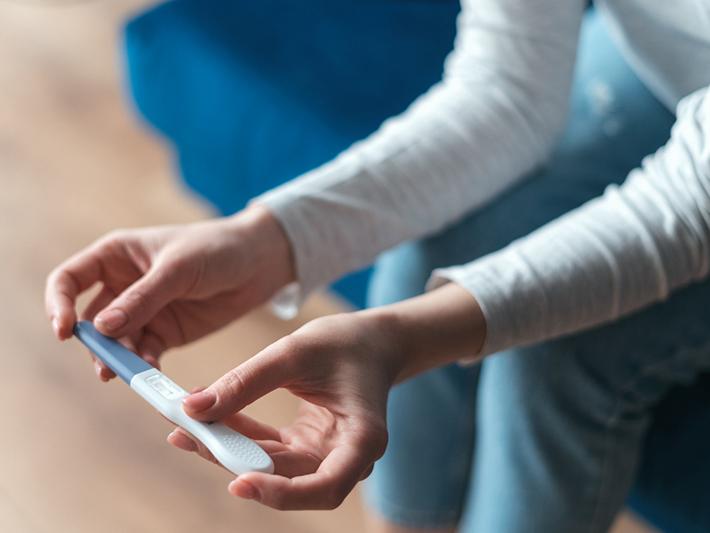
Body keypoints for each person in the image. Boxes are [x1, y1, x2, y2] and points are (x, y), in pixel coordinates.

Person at [45, 1, 710, 531]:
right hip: (663, 58)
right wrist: (265, 240)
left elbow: (692, 205)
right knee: (422, 259)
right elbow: (508, 90)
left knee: (558, 352)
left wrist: (404, 338)